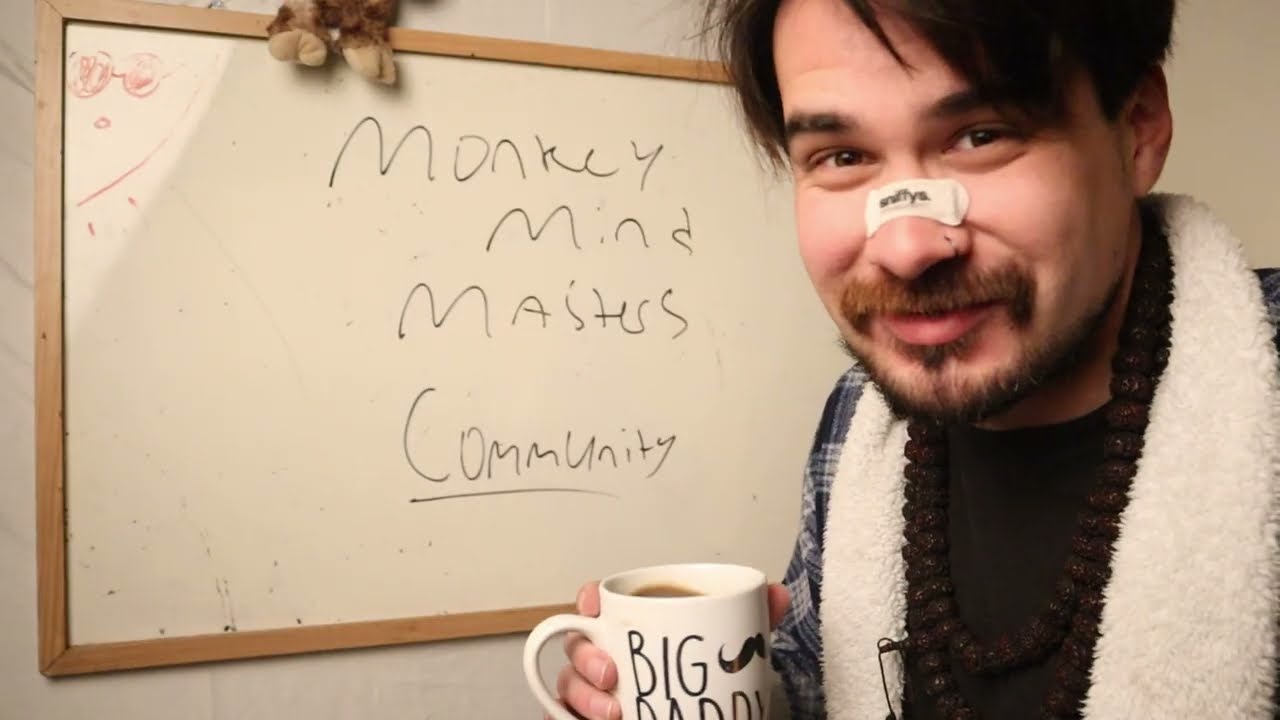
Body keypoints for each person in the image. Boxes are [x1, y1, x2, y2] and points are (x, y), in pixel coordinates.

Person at [549, 0, 1280, 717]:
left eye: (980, 135)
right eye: (842, 157)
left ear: (1138, 131)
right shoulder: (857, 420)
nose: (906, 247)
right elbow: (821, 679)